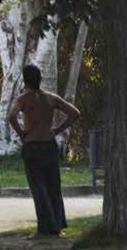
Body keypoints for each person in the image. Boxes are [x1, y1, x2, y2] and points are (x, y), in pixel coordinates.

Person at [8, 64, 81, 238]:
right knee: (53, 186)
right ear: (40, 79)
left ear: (25, 80)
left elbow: (11, 116)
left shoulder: (23, 99)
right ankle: (56, 226)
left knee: (39, 188)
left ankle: (44, 229)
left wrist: (21, 133)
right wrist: (57, 129)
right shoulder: (50, 98)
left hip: (33, 146)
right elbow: (75, 113)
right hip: (49, 145)